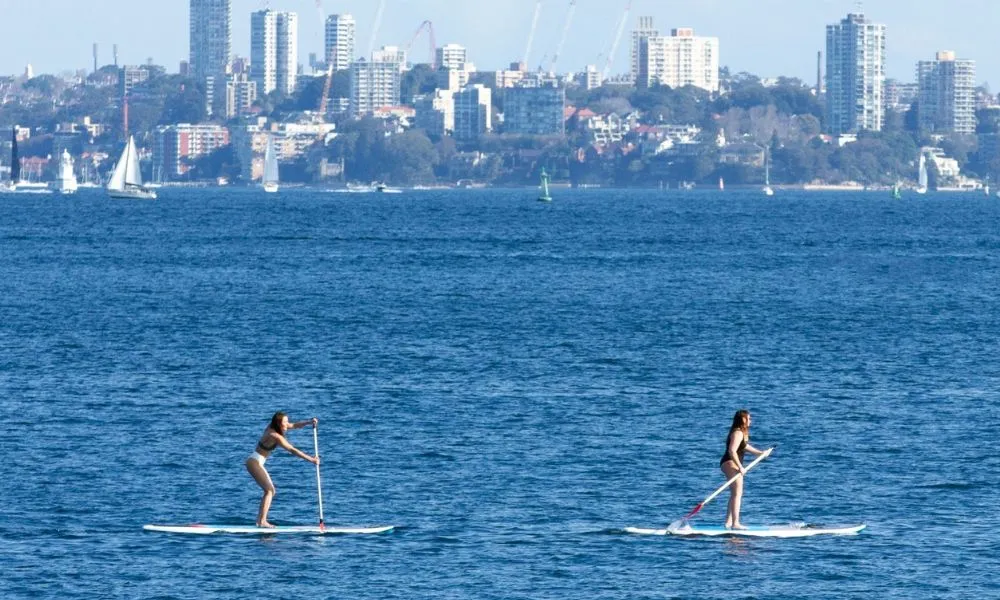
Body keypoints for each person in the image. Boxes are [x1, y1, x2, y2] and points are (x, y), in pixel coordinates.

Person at [245, 412, 320, 528]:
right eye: (284, 422)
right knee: (270, 490)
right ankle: (262, 522)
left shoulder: (275, 426)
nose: (287, 424)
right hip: (254, 462)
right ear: (278, 423)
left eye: (286, 421)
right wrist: (312, 459)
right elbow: (292, 450)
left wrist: (309, 422)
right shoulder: (275, 436)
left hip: (256, 461)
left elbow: (294, 425)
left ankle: (260, 521)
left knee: (270, 491)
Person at [719, 409, 766, 529]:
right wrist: (740, 467)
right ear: (743, 419)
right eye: (748, 418)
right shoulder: (737, 433)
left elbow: (745, 447)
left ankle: (728, 522)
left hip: (730, 463)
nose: (750, 421)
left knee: (735, 493)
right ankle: (735, 523)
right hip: (730, 463)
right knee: (738, 493)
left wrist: (760, 453)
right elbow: (732, 450)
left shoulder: (741, 433)